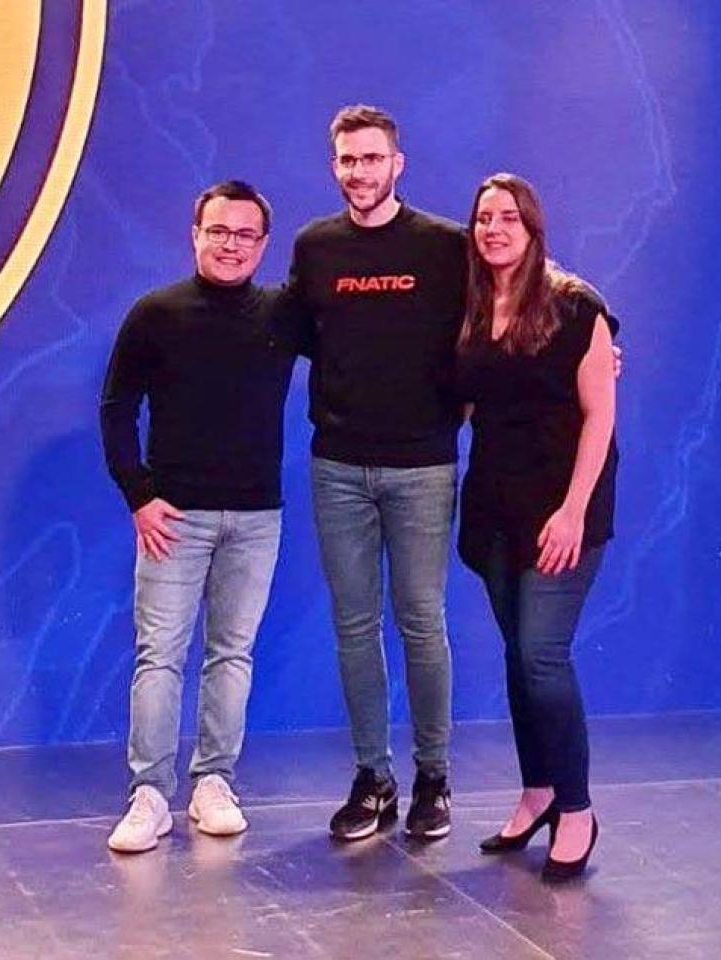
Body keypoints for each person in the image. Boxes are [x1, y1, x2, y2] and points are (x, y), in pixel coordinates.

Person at [278, 104, 468, 842]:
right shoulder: (315, 247)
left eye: (372, 158)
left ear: (398, 164)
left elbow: (519, 294)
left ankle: (434, 779)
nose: (360, 172)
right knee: (355, 627)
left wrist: (599, 328)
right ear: (335, 167)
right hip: (339, 468)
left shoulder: (445, 246)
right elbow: (281, 332)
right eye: (348, 160)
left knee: (422, 622)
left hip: (423, 468)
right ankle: (373, 779)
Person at [98, 181, 294, 853]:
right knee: (160, 656)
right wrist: (138, 495)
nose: (231, 244)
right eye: (219, 231)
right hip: (173, 519)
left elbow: (367, 352)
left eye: (244, 234)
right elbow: (116, 408)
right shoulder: (155, 314)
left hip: (257, 516)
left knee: (231, 654)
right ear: (195, 234)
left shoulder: (282, 315)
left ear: (262, 245)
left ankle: (214, 783)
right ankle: (149, 796)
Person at [455, 173, 618, 881]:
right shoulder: (468, 306)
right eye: (484, 218)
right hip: (495, 507)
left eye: (508, 218)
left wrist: (573, 510)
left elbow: (601, 415)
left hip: (563, 509)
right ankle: (539, 791)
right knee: (518, 656)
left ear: (532, 228)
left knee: (543, 654)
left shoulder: (577, 306)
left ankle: (577, 809)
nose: (494, 230)